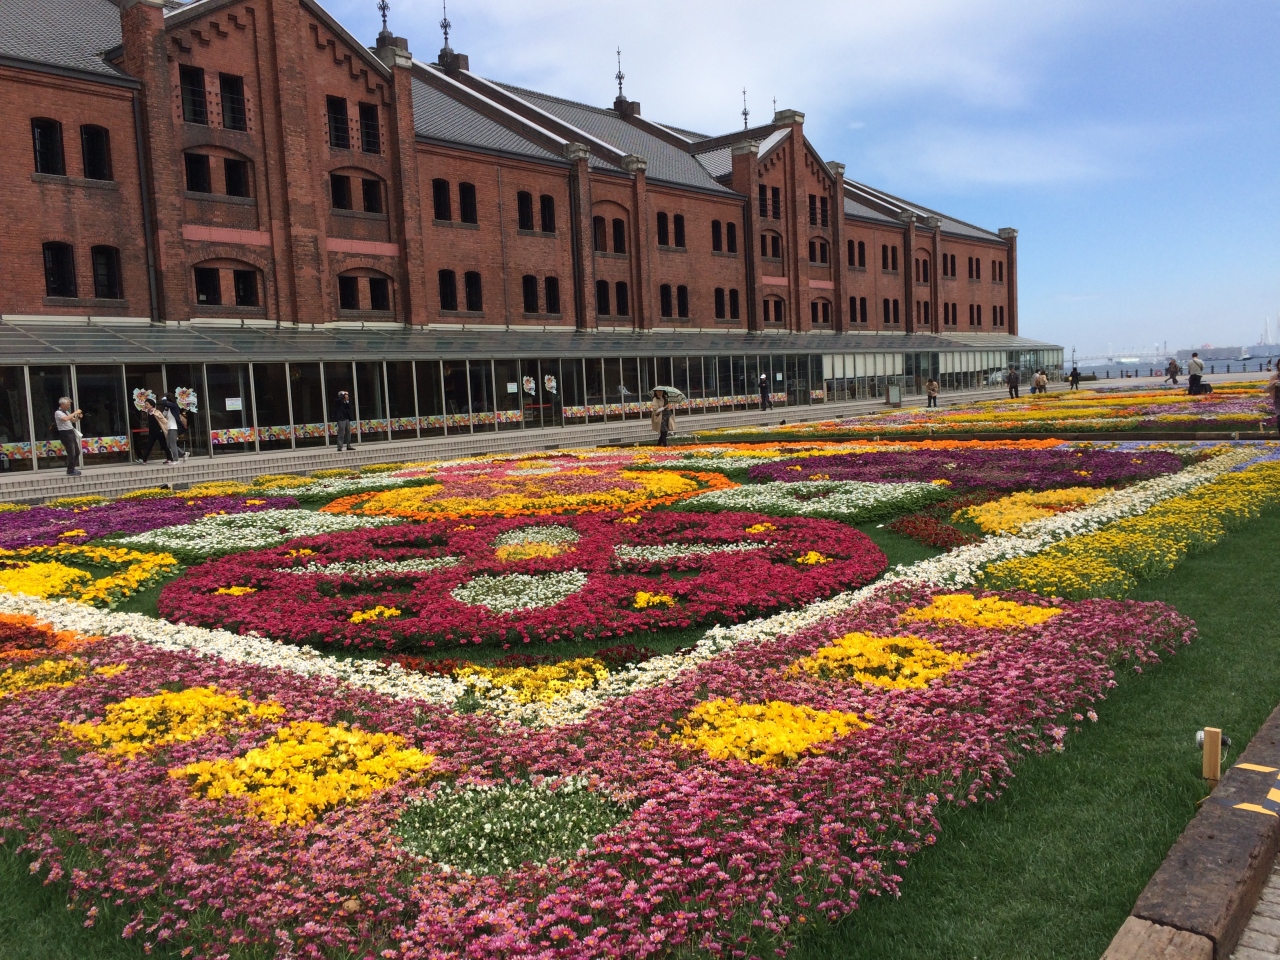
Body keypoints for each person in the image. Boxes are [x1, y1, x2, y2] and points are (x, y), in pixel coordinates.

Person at [54, 397, 83, 476]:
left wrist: (78, 416)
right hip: (65, 433)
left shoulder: (66, 412)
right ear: (62, 404)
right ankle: (70, 470)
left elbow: (73, 420)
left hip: (71, 432)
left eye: (69, 404)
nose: (69, 406)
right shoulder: (58, 412)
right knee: (71, 452)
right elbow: (66, 419)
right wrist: (75, 412)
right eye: (68, 404)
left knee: (77, 451)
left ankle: (72, 467)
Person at [157, 393, 187, 463]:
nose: (166, 402)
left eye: (167, 401)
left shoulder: (174, 406)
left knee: (173, 444)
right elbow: (163, 415)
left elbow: (164, 402)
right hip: (169, 428)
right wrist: (166, 409)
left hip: (174, 428)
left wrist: (164, 397)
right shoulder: (169, 408)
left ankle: (176, 459)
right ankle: (183, 453)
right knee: (168, 444)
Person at [137, 399, 168, 464]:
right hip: (152, 432)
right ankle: (144, 459)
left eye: (147, 404)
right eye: (145, 404)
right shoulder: (148, 413)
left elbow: (163, 420)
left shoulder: (156, 412)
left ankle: (170, 458)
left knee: (164, 445)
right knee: (149, 445)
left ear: (152, 405)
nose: (146, 405)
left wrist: (165, 427)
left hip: (159, 431)